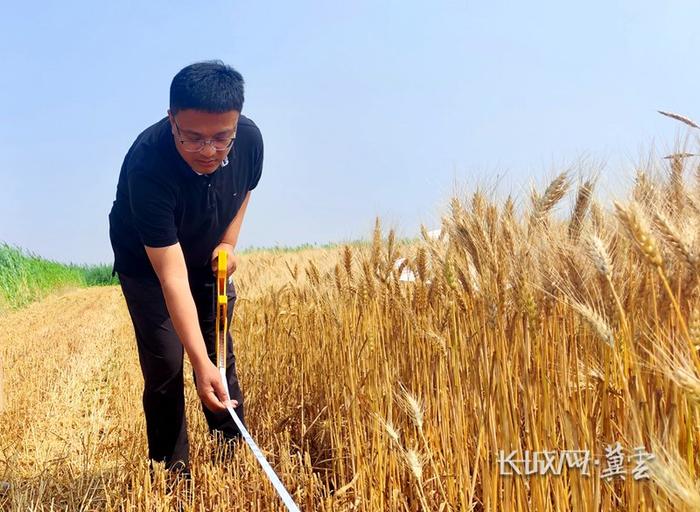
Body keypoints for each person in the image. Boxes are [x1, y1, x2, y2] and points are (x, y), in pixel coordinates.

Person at [108, 60, 263, 479]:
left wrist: (228, 242)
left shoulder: (248, 141)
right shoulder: (147, 167)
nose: (209, 151)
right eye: (192, 138)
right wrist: (197, 363)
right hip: (148, 265)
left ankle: (234, 458)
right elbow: (171, 275)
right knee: (167, 364)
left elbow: (245, 188)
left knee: (219, 356)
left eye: (220, 138)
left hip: (206, 254)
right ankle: (172, 477)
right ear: (171, 118)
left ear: (236, 125)